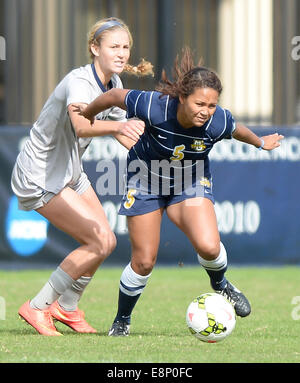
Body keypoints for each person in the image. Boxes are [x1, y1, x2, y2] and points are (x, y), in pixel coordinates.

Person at [74, 47, 284, 336]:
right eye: (199, 103)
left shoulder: (217, 120)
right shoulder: (153, 105)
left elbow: (237, 130)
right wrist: (87, 113)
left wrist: (261, 143)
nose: (205, 111)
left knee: (210, 246)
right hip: (145, 182)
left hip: (190, 181)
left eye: (211, 105)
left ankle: (221, 284)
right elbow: (113, 97)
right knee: (144, 261)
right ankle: (122, 319)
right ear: (182, 97)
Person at [12, 17, 154, 336]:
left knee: (107, 241)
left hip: (70, 171)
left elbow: (126, 133)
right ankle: (37, 307)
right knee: (97, 240)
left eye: (126, 47)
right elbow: (82, 126)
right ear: (94, 48)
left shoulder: (114, 85)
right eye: (113, 46)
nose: (121, 53)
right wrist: (120, 126)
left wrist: (158, 148)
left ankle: (67, 308)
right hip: (41, 173)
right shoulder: (79, 82)